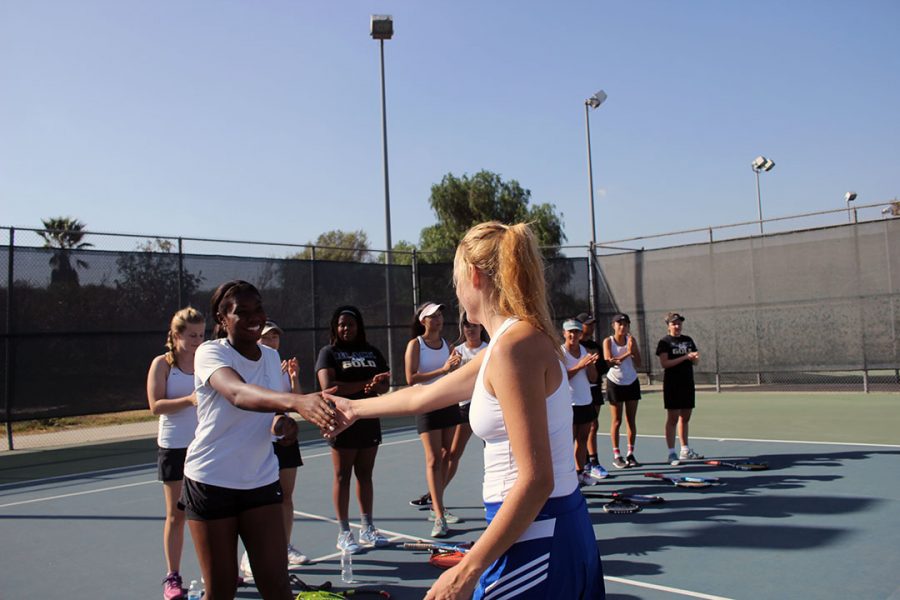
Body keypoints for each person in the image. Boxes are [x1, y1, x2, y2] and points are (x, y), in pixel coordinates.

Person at [326, 222, 604, 600]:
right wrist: (352, 408)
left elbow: (538, 480)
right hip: (545, 528)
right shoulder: (509, 344)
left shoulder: (514, 348)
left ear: (473, 275)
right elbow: (422, 397)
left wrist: (467, 570)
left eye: (456, 280)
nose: (455, 292)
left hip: (535, 536)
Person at [180, 280, 335, 600]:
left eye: (258, 308)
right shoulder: (210, 353)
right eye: (243, 311)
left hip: (260, 482)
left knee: (278, 587)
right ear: (222, 319)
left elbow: (270, 410)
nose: (254, 317)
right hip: (211, 482)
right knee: (221, 590)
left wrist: (282, 426)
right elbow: (237, 393)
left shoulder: (268, 356)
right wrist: (296, 402)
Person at [316, 305, 392, 554]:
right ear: (335, 328)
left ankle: (367, 527)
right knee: (342, 476)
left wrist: (377, 385)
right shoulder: (329, 353)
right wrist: (364, 384)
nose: (346, 328)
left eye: (350, 324)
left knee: (365, 474)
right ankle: (344, 532)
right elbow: (329, 389)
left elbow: (383, 387)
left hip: (368, 419)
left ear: (358, 326)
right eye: (341, 324)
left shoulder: (372, 351)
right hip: (341, 422)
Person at [239, 320, 309, 581]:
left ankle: (285, 546)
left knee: (286, 498)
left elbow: (297, 403)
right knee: (258, 502)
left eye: (275, 338)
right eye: (267, 337)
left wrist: (293, 379)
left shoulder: (283, 369)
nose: (271, 342)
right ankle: (250, 555)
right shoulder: (252, 369)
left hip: (285, 438)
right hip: (259, 439)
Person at [147, 306, 205, 600]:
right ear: (177, 335)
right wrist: (188, 400)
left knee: (209, 512)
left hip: (204, 447)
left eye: (201, 335)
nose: (197, 340)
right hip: (173, 446)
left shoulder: (207, 361)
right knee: (177, 515)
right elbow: (155, 405)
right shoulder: (163, 364)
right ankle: (173, 577)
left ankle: (216, 570)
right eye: (192, 335)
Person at [405, 301, 463, 538]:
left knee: (447, 455)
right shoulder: (415, 345)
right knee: (433, 459)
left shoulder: (447, 345)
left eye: (439, 314)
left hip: (447, 403)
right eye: (432, 316)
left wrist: (456, 368)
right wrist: (443, 370)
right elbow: (411, 377)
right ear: (423, 321)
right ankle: (439, 516)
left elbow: (453, 373)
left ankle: (436, 504)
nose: (437, 319)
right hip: (426, 405)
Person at [443, 312, 489, 487]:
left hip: (486, 405)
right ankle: (435, 495)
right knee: (453, 454)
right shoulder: (457, 351)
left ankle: (495, 493)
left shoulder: (488, 348)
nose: (470, 329)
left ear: (481, 327)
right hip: (465, 408)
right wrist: (451, 369)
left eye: (474, 326)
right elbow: (451, 378)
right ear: (462, 328)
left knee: (492, 451)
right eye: (467, 325)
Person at [562, 318, 604, 485]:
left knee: (582, 438)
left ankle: (580, 472)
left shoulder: (585, 351)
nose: (573, 334)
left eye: (577, 331)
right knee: (568, 441)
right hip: (569, 404)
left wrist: (591, 365)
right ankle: (567, 476)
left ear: (581, 334)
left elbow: (593, 378)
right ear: (564, 333)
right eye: (570, 331)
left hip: (585, 401)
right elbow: (562, 378)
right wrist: (580, 366)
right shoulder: (560, 353)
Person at [655, 312, 702, 465]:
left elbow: (694, 362)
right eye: (674, 323)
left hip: (687, 383)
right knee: (673, 418)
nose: (677, 326)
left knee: (685, 417)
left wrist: (694, 359)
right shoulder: (664, 342)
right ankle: (671, 453)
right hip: (672, 384)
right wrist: (685, 357)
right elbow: (665, 364)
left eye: (679, 323)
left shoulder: (688, 340)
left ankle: (685, 450)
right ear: (668, 326)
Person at [603, 313, 642, 469]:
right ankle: (617, 455)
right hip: (615, 383)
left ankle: (630, 454)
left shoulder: (631, 341)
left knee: (631, 420)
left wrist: (634, 350)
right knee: (617, 420)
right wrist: (628, 351)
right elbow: (611, 361)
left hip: (632, 382)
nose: (622, 327)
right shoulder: (608, 341)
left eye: (625, 324)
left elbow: (638, 363)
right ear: (613, 326)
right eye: (619, 324)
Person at [576, 312, 609, 480]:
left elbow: (603, 368)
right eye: (588, 324)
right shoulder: (574, 345)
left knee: (593, 426)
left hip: (595, 390)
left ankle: (592, 462)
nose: (591, 326)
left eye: (592, 323)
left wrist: (598, 363)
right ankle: (584, 464)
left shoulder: (595, 345)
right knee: (582, 430)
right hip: (578, 393)